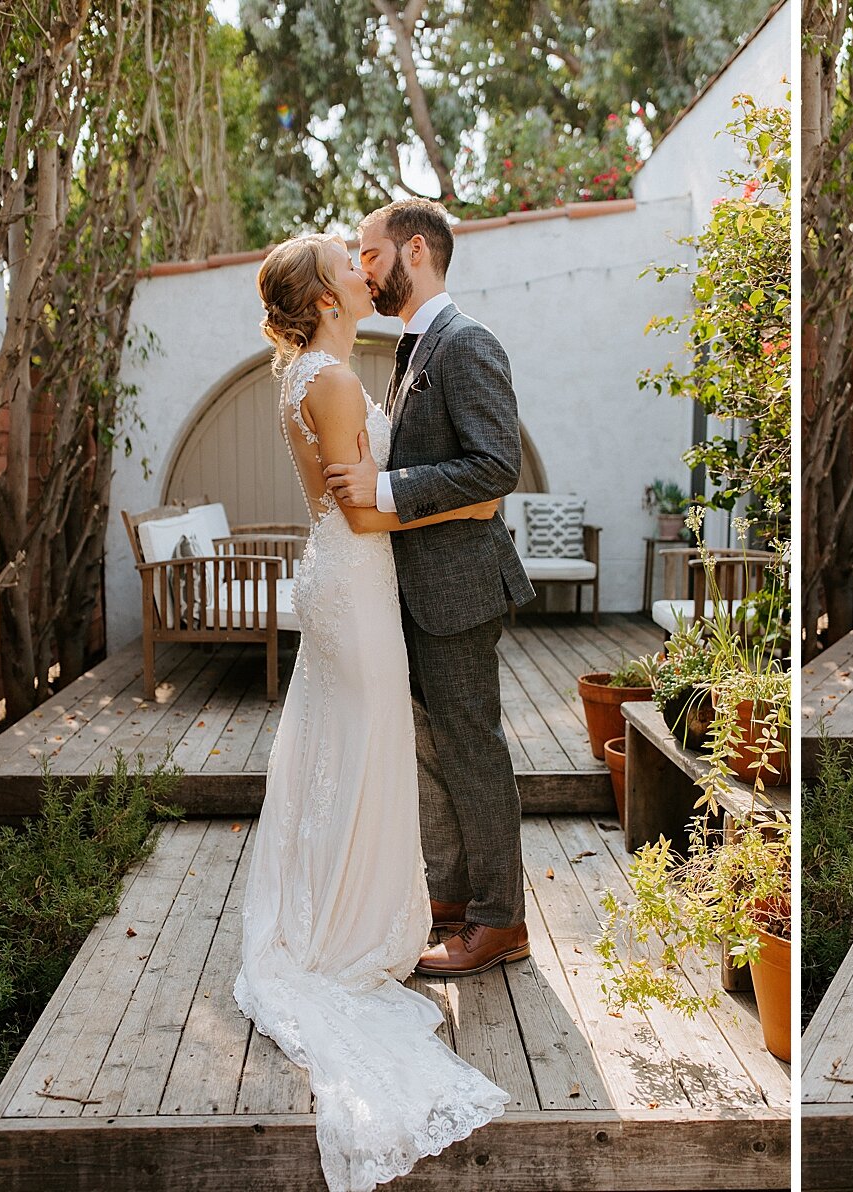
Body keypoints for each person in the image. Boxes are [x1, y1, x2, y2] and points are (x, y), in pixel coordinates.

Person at [236, 232, 509, 1192]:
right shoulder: (339, 381)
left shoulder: (313, 372)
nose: (363, 266)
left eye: (368, 252)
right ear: (320, 296)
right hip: (358, 579)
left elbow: (354, 495)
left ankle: (334, 909)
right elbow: (359, 509)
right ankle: (348, 924)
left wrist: (423, 501)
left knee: (344, 751)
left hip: (343, 582)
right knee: (366, 749)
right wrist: (447, 507)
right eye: (345, 262)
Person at [323, 198, 536, 977]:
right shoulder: (411, 347)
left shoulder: (465, 342)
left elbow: (496, 465)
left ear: (415, 251)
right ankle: (450, 898)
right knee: (429, 751)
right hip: (410, 589)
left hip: (458, 591)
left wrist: (385, 489)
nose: (361, 267)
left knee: (471, 751)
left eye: (369, 253)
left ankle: (499, 920)